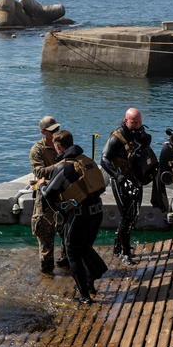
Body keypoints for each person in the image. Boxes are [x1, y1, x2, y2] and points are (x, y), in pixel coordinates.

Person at [40, 130, 108, 304]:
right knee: (84, 248)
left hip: (79, 215)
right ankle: (90, 284)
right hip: (97, 212)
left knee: (73, 254)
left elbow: (48, 195)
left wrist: (41, 185)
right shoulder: (85, 161)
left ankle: (84, 296)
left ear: (58, 147)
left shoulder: (63, 166)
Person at [100, 108, 153, 264]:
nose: (137, 125)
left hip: (136, 179)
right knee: (127, 216)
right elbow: (104, 159)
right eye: (133, 123)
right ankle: (125, 252)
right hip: (121, 181)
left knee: (134, 214)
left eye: (139, 122)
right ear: (125, 121)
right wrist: (117, 176)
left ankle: (118, 246)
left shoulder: (140, 133)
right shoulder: (116, 137)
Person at [30, 116, 67, 273]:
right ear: (43, 132)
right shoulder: (37, 150)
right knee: (45, 234)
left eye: (57, 129)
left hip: (64, 194)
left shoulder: (63, 143)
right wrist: (60, 166)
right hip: (46, 196)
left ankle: (66, 262)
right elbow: (38, 171)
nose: (56, 132)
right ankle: (46, 270)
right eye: (52, 131)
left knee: (66, 231)